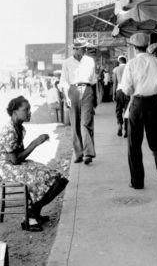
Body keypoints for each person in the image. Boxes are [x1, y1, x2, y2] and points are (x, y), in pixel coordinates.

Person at [0, 96, 68, 231]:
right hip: (7, 168)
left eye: (30, 109)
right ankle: (31, 218)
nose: (29, 112)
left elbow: (19, 156)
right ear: (14, 112)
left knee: (58, 178)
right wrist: (35, 143)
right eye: (26, 109)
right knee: (41, 178)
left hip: (17, 164)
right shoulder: (9, 130)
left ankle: (34, 213)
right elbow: (14, 160)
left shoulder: (20, 128)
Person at [121, 32, 157, 194]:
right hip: (154, 104)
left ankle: (137, 181)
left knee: (134, 144)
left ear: (135, 48)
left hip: (137, 104)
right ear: (147, 45)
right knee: (156, 140)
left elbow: (126, 88)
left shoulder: (131, 64)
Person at [60, 37, 97, 165]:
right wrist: (66, 97)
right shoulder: (67, 62)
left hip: (87, 89)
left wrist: (95, 98)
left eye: (86, 47)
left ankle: (88, 153)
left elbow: (93, 80)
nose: (85, 50)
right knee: (75, 123)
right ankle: (79, 154)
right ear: (75, 49)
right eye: (83, 48)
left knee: (86, 122)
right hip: (72, 90)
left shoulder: (90, 61)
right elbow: (63, 81)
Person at [113, 56, 129, 137]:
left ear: (119, 61)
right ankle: (126, 129)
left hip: (119, 91)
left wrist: (113, 94)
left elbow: (115, 83)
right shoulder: (129, 68)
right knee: (127, 110)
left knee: (118, 109)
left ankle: (119, 125)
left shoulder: (116, 69)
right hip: (127, 92)